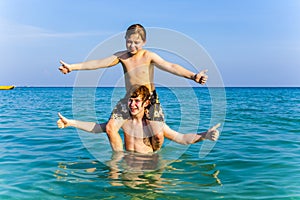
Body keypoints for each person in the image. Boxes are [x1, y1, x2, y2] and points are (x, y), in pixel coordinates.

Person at [59, 24, 208, 152]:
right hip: (130, 99)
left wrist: (193, 76)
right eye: (129, 42)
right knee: (110, 128)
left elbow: (171, 66)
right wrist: (73, 67)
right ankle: (119, 161)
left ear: (144, 42)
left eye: (136, 42)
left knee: (158, 135)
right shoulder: (122, 56)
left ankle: (152, 157)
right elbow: (98, 63)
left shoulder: (148, 56)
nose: (132, 46)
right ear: (125, 40)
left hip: (149, 100)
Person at [57, 85, 220, 154]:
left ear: (146, 103)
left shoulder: (153, 125)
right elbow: (97, 128)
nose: (132, 104)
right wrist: (70, 122)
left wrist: (205, 135)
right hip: (127, 164)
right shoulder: (124, 121)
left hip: (149, 165)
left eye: (137, 101)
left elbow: (182, 138)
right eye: (130, 100)